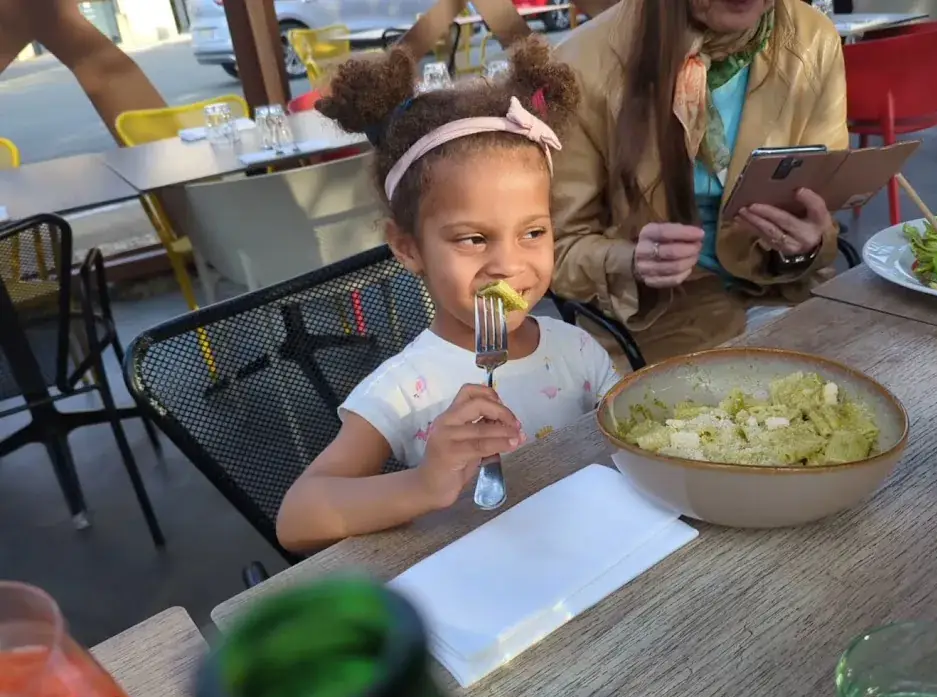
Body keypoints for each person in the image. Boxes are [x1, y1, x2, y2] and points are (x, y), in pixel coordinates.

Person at [276, 37, 621, 553]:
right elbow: (297, 520)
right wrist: (422, 484)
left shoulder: (578, 351)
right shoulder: (404, 387)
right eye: (473, 239)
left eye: (533, 232)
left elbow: (635, 422)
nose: (508, 264)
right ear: (408, 248)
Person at [551, 0, 847, 363]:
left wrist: (805, 245)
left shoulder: (812, 38)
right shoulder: (580, 63)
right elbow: (556, 249)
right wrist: (630, 261)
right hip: (658, 318)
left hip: (787, 292)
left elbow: (822, 215)